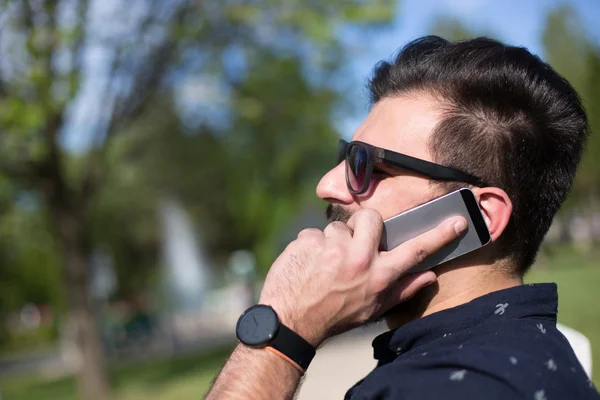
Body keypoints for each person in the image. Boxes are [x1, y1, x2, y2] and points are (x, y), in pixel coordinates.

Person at [206, 36, 600, 399]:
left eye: (365, 165)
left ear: (478, 215)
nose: (327, 185)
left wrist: (282, 334)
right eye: (344, 157)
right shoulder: (528, 353)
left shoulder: (443, 389)